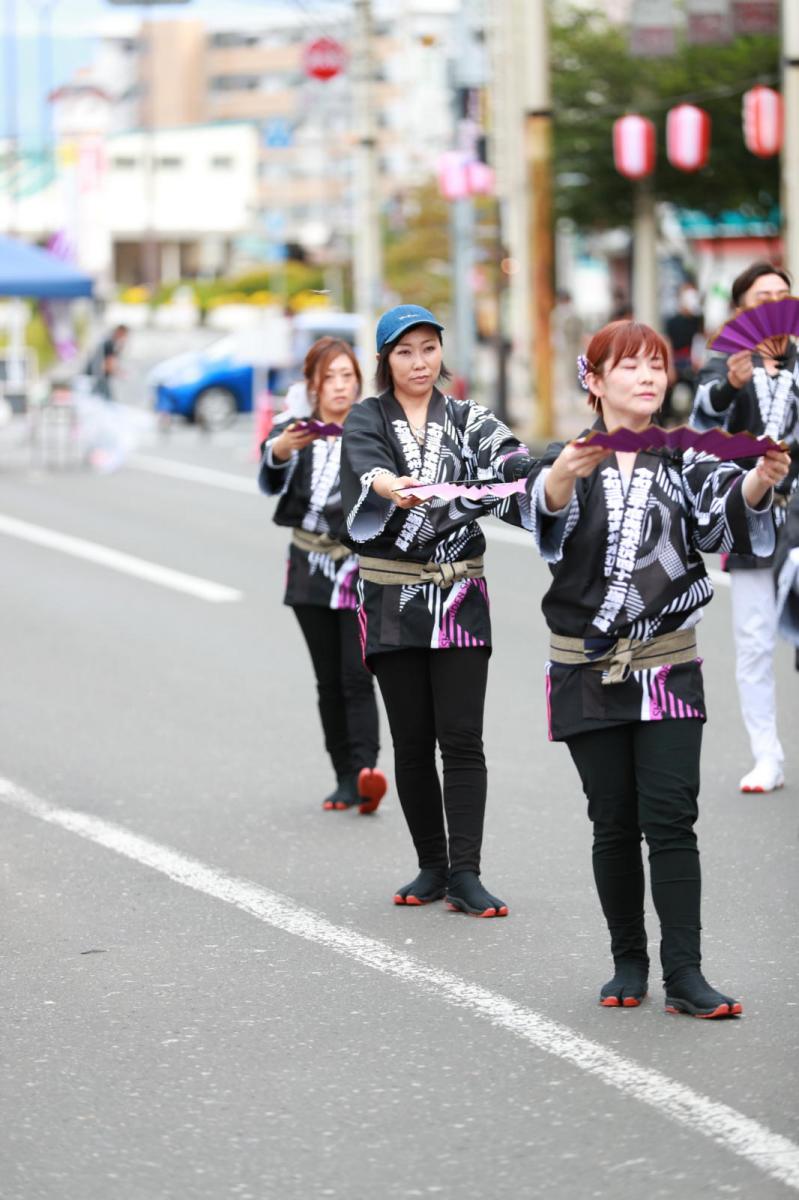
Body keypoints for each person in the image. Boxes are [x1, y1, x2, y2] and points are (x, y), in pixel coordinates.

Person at [526, 319, 789, 1017]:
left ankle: (685, 974)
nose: (647, 377)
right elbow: (543, 512)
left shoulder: (684, 458)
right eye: (629, 365)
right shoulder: (564, 458)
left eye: (656, 365)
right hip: (587, 669)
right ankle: (627, 960)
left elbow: (721, 514)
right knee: (613, 820)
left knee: (672, 817)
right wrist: (561, 476)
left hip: (668, 666)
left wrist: (758, 484)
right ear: (594, 380)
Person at [339, 304, 536, 917]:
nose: (419, 362)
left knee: (462, 738)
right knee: (412, 740)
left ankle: (466, 874)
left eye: (428, 348)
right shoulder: (366, 417)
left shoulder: (468, 417)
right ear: (385, 360)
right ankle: (433, 864)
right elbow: (366, 465)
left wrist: (535, 471)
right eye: (405, 351)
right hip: (392, 597)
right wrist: (387, 484)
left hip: (458, 597)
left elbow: (507, 458)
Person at [259, 337, 387, 814]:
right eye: (328, 377)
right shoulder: (295, 429)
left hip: (356, 568)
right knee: (327, 679)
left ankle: (366, 771)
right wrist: (280, 451)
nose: (339, 386)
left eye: (347, 376)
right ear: (312, 384)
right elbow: (270, 480)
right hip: (308, 565)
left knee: (357, 673)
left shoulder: (373, 429)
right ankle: (343, 777)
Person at [691, 262, 799, 793]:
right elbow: (703, 419)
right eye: (763, 296)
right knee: (754, 642)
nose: (775, 303)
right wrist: (731, 385)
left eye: (783, 294)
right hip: (753, 515)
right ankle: (766, 756)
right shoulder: (724, 362)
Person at [664, 281, 704, 424]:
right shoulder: (672, 321)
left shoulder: (698, 319)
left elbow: (701, 339)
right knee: (667, 393)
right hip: (676, 361)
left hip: (692, 362)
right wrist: (670, 367)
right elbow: (667, 342)